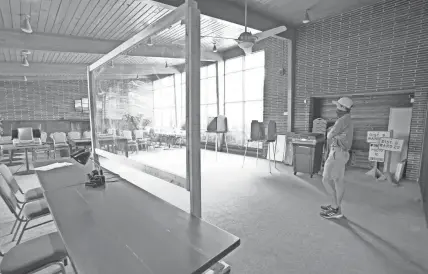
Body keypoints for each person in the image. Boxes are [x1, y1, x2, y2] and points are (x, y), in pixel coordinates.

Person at [320, 97, 354, 219]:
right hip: (343, 153)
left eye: (338, 106)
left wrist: (332, 132)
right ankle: (337, 206)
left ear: (344, 108)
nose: (336, 108)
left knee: (325, 179)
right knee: (338, 181)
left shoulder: (341, 121)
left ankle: (335, 209)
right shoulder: (349, 119)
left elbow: (329, 135)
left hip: (336, 153)